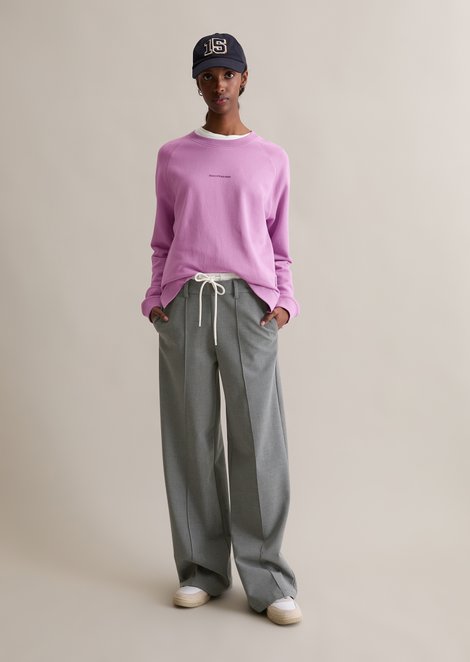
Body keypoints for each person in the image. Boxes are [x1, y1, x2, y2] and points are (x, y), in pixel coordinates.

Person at [141, 32, 302, 626]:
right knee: (191, 437)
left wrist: (283, 303)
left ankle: (268, 580)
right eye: (207, 75)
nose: (218, 85)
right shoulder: (173, 156)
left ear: (244, 78)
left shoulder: (271, 158)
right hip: (186, 304)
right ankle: (200, 571)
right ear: (197, 82)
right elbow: (163, 239)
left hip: (249, 306)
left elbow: (279, 244)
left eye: (228, 74)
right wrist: (157, 299)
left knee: (259, 441)